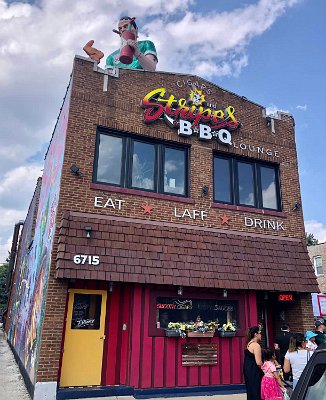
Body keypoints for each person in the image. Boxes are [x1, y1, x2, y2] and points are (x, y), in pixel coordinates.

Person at [83, 16, 158, 71]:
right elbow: (108, 79)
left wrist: (137, 52)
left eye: (126, 26)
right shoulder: (111, 57)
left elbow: (151, 69)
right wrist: (92, 64)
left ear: (136, 29)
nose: (123, 30)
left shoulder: (146, 44)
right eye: (120, 28)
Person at [243, 326, 263, 400]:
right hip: (254, 371)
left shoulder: (249, 344)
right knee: (256, 391)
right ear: (255, 334)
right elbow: (258, 362)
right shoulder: (256, 345)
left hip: (248, 370)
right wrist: (266, 370)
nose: (261, 335)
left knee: (251, 390)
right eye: (260, 333)